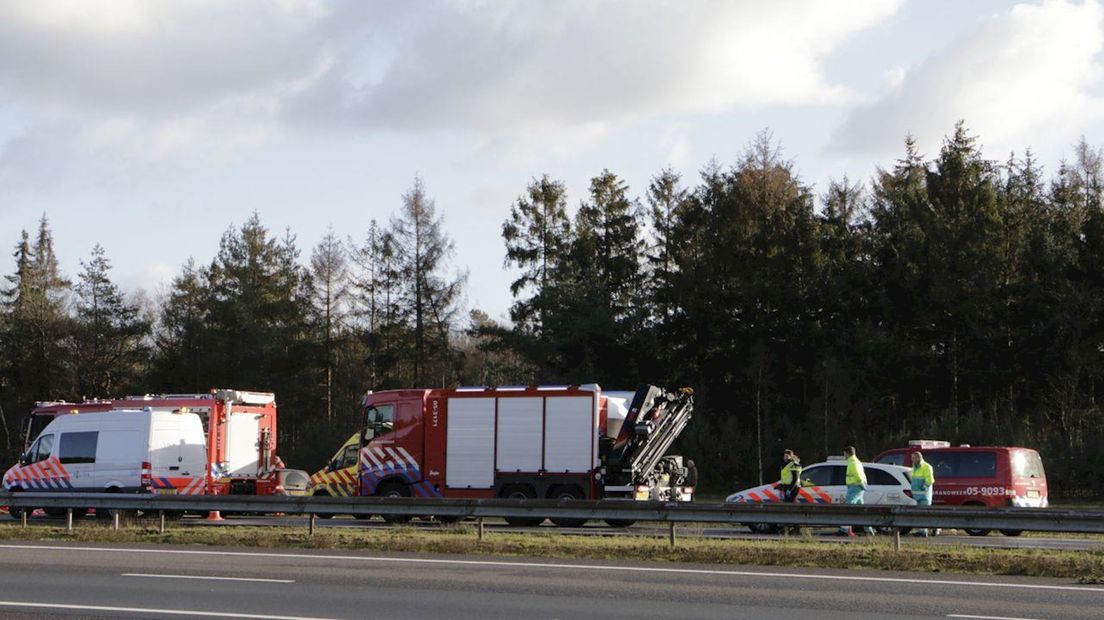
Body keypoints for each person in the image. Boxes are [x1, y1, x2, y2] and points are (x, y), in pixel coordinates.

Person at [839, 446, 876, 536]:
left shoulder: (852, 463)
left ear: (847, 453)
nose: (844, 455)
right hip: (857, 487)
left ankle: (844, 529)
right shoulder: (856, 462)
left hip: (855, 487)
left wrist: (860, 484)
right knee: (862, 510)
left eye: (844, 453)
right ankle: (869, 530)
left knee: (849, 507)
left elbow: (858, 475)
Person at [910, 451, 939, 536]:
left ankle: (923, 531)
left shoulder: (926, 467)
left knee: (924, 512)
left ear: (919, 458)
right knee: (922, 513)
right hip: (917, 495)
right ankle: (933, 527)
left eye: (914, 458)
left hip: (924, 495)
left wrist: (923, 488)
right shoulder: (915, 467)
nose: (912, 460)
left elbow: (930, 480)